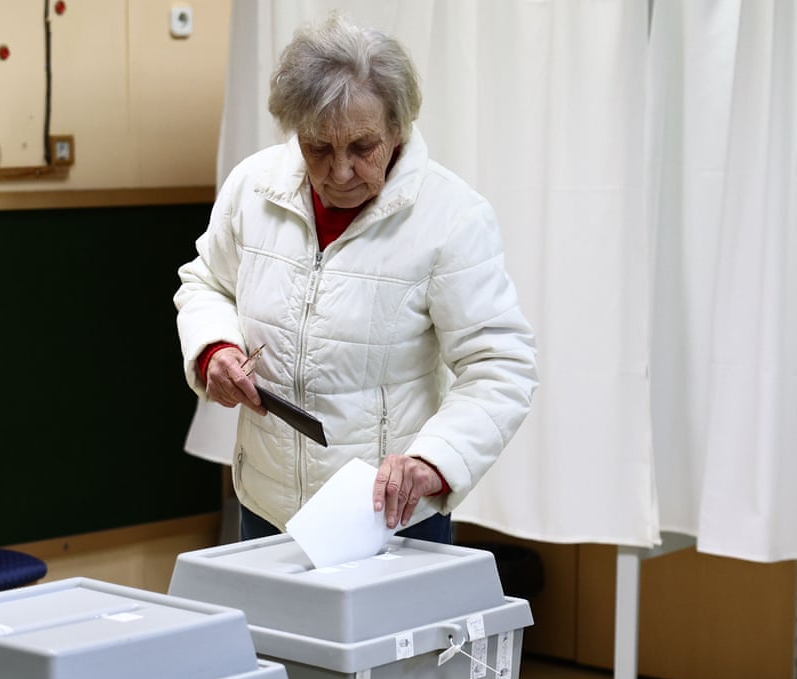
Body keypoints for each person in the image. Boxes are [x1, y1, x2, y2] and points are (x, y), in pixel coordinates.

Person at [175, 12, 537, 544]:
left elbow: (500, 365)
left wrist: (434, 462)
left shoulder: (452, 217)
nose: (339, 172)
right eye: (317, 147)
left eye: (362, 148)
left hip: (385, 517)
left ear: (397, 129)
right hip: (267, 505)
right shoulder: (252, 188)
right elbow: (207, 283)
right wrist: (215, 351)